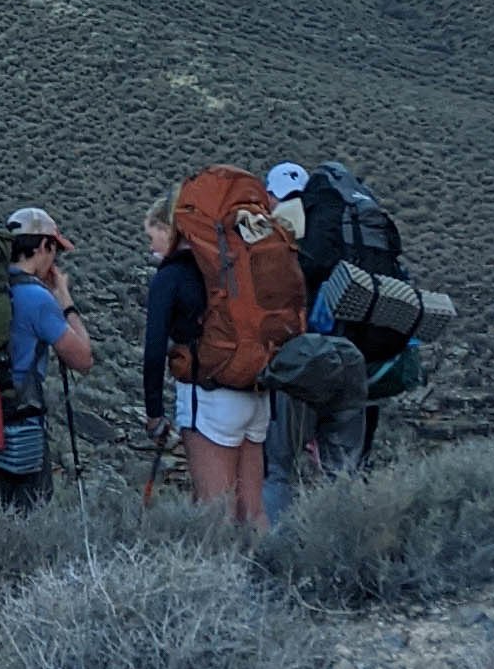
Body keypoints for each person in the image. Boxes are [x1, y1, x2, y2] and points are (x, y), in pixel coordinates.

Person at [140, 183, 270, 521]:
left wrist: (154, 412)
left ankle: (218, 575)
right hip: (255, 394)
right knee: (252, 510)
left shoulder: (172, 276)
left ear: (170, 227)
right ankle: (265, 572)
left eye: (152, 233)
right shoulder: (233, 268)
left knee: (214, 513)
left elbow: (154, 349)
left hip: (209, 398)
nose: (151, 244)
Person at [0, 207, 91, 516]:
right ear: (43, 246)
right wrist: (64, 299)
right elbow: (83, 358)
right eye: (54, 250)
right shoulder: (37, 299)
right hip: (20, 432)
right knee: (26, 522)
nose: (55, 260)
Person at [261, 165, 372, 517]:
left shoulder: (281, 227)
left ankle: (274, 559)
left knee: (280, 469)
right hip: (358, 358)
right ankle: (344, 549)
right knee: (343, 472)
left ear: (271, 193)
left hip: (307, 361)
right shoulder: (346, 224)